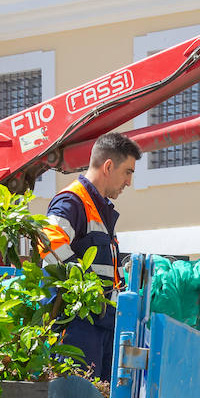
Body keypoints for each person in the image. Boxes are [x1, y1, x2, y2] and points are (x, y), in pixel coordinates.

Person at [41, 132, 141, 378]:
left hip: (98, 327)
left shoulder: (99, 209)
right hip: (76, 329)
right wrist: (88, 288)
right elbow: (49, 244)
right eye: (127, 172)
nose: (129, 182)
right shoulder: (72, 202)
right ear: (108, 166)